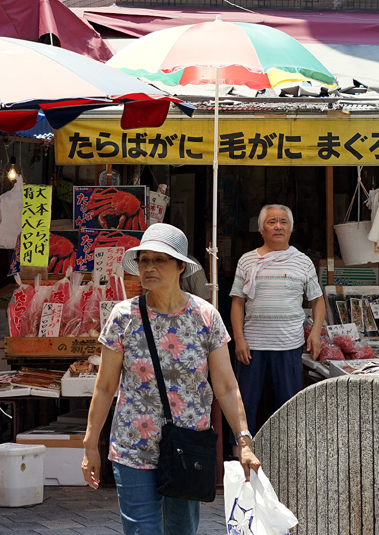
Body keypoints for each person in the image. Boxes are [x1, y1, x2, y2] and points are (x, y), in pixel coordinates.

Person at [82, 223, 261, 535]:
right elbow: (106, 386)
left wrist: (243, 441)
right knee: (142, 531)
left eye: (160, 260)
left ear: (180, 266)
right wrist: (89, 445)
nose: (149, 267)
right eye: (144, 260)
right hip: (132, 445)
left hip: (187, 447)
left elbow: (227, 386)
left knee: (181, 530)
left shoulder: (206, 317)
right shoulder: (123, 316)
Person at [228, 204, 326, 434]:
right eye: (272, 222)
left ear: (290, 229)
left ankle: (287, 454)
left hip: (288, 345)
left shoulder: (303, 262)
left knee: (288, 404)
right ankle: (241, 454)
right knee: (245, 404)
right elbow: (237, 303)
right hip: (253, 346)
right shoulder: (247, 261)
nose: (278, 226)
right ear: (261, 229)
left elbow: (318, 300)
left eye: (283, 222)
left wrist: (315, 333)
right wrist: (239, 340)